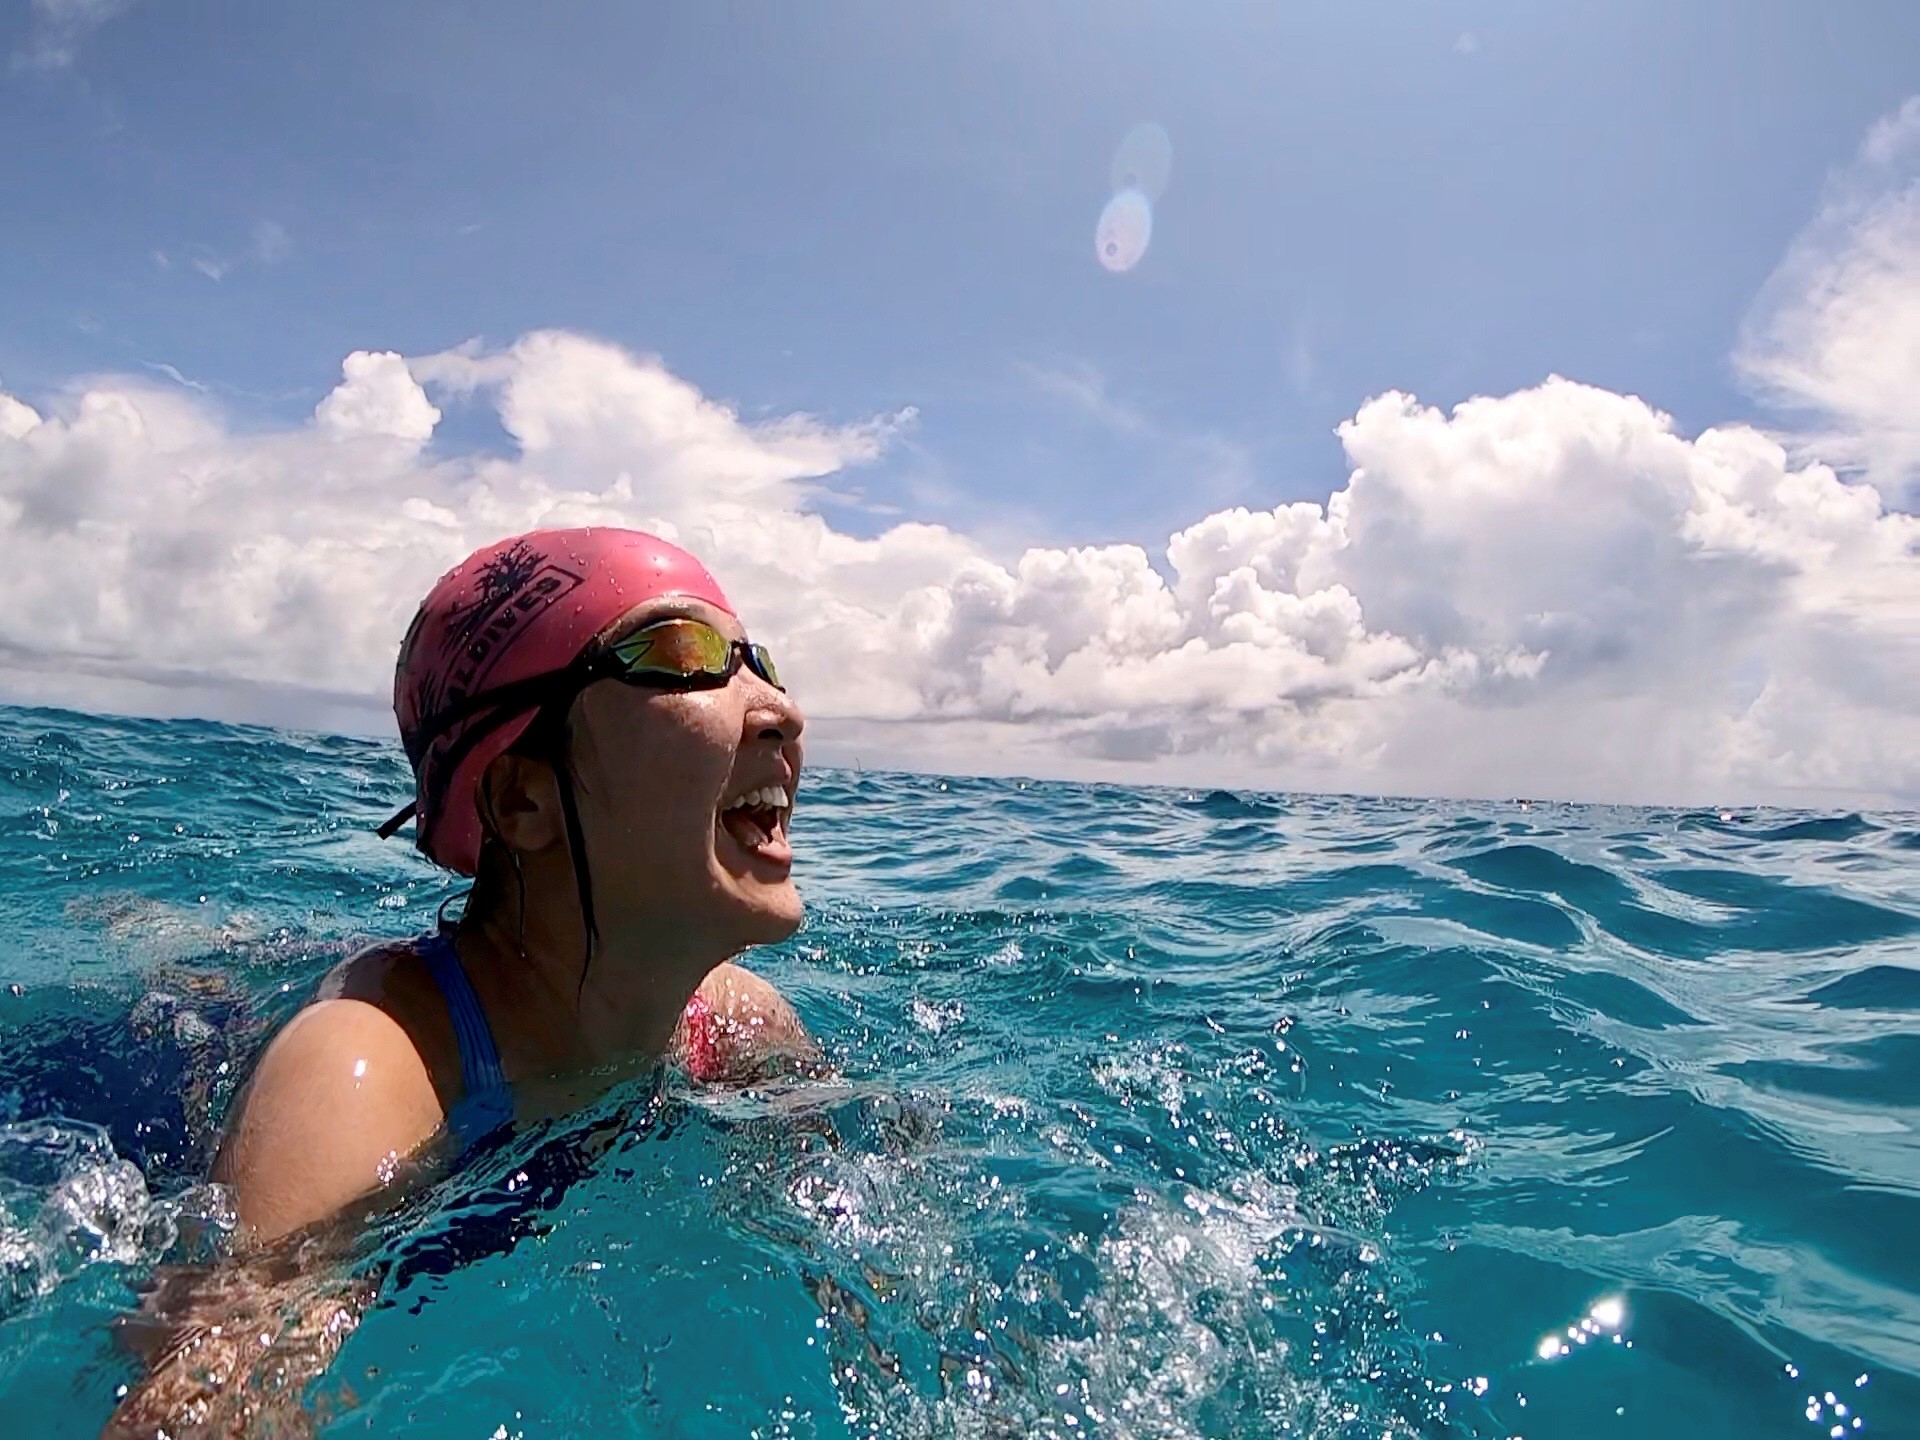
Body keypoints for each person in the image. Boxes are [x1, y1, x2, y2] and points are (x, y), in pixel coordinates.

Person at [107, 526, 819, 1435]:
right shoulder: (370, 1067)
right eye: (684, 655)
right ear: (523, 799)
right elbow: (205, 1392)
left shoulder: (736, 1025)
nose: (782, 711)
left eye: (761, 661)